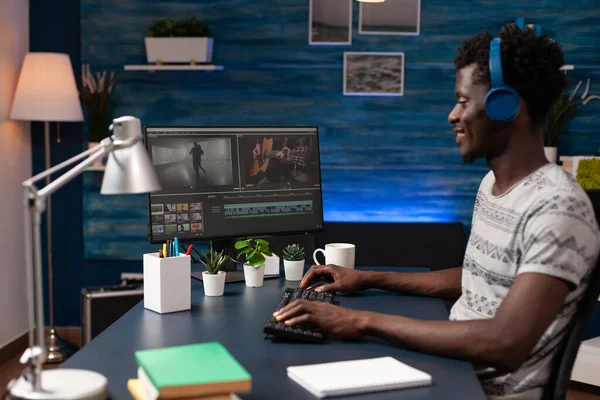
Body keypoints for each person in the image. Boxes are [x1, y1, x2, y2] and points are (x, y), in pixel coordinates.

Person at [274, 24, 600, 399]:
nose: (452, 115)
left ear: (505, 105)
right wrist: (368, 278)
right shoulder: (493, 187)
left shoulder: (557, 208)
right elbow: (479, 277)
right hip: (452, 366)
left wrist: (360, 320)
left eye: (463, 101)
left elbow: (504, 342)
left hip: (479, 390)